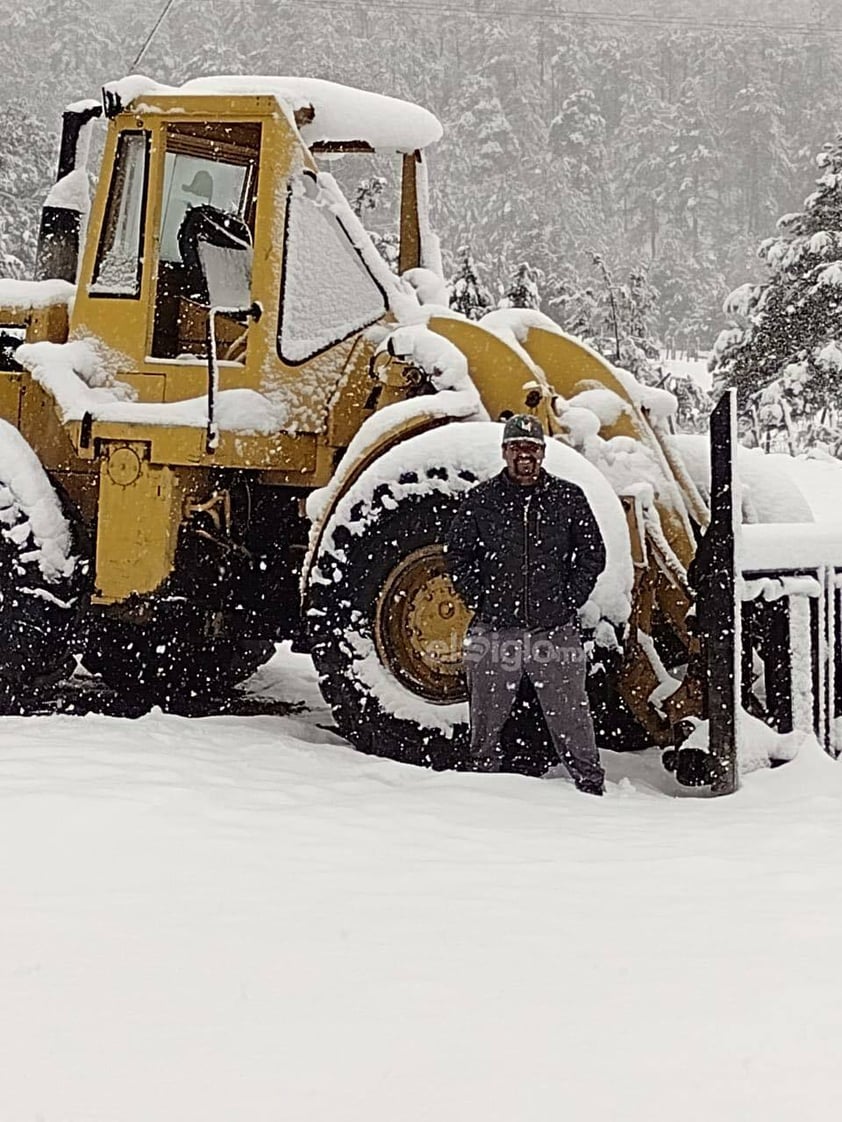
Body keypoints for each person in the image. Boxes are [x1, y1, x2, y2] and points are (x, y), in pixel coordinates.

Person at [444, 414, 607, 795]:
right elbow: (458, 554)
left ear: (543, 453)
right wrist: (479, 599)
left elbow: (592, 554)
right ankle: (482, 785)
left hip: (553, 628)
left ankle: (590, 785)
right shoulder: (481, 500)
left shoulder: (568, 498)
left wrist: (570, 598)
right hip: (496, 630)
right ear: (504, 452)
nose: (524, 455)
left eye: (531, 448)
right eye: (517, 448)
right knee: (485, 716)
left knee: (572, 716)